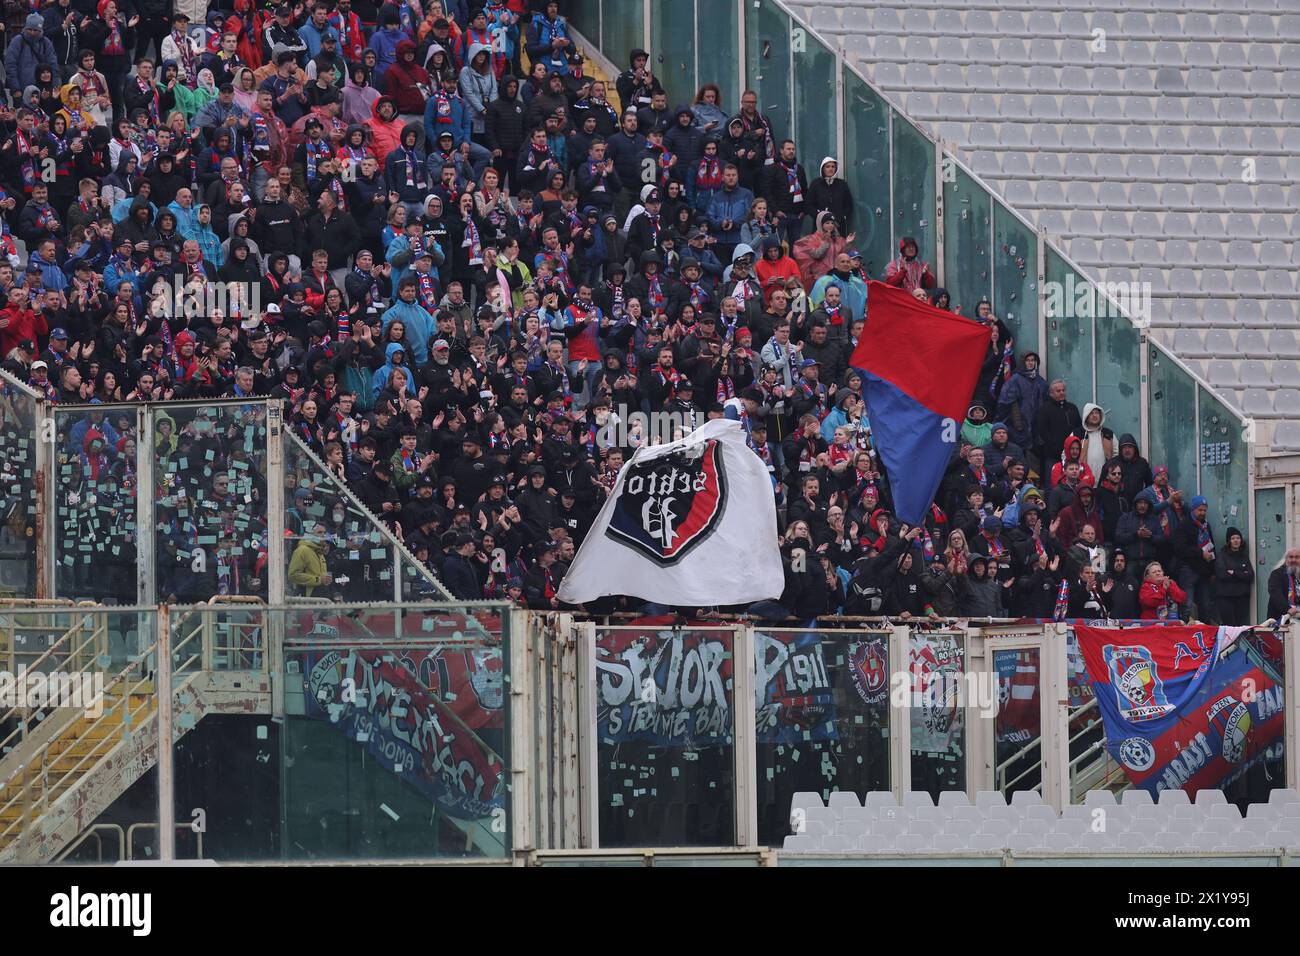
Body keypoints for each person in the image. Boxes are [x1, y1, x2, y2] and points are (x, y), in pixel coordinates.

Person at [1214, 528, 1254, 625]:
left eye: (1238, 538)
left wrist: (1234, 573)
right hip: (1226, 597)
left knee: (1240, 626)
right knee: (1230, 626)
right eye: (1233, 538)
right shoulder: (1222, 556)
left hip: (1242, 597)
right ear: (1229, 541)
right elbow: (1222, 574)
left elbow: (1250, 575)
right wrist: (1241, 574)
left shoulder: (1244, 556)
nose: (1236, 540)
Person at [1266, 548, 1300, 621]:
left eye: (1297, 557)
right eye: (1291, 557)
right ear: (1286, 559)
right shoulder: (1277, 574)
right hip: (1282, 617)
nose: (1294, 560)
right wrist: (1287, 608)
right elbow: (1275, 593)